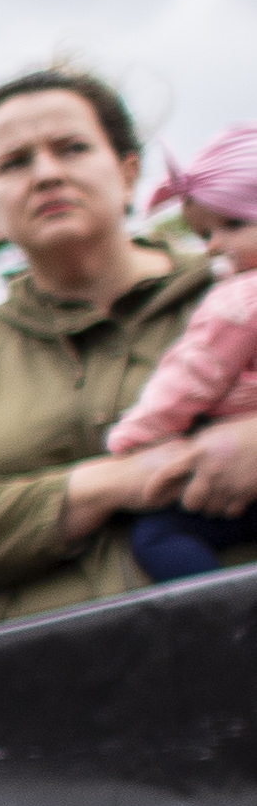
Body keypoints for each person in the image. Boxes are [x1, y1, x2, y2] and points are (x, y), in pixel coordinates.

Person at [0, 73, 253, 619]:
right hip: (57, 689)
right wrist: (106, 485)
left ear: (128, 175)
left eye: (72, 148)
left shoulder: (236, 289)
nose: (47, 174)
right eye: (15, 163)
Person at [106, 128, 257, 579]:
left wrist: (134, 437)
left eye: (232, 225)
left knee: (159, 535)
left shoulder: (237, 302)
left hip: (236, 460)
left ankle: (222, 624)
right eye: (204, 232)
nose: (212, 245)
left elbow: (193, 375)